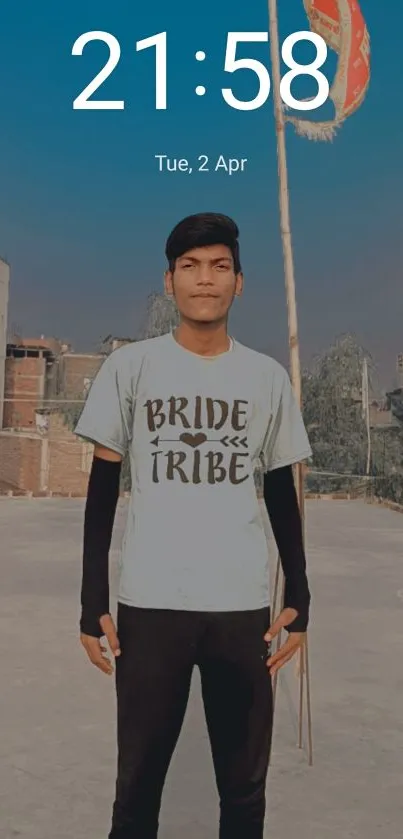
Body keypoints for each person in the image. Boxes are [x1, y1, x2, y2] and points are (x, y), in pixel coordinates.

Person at [75, 212, 312, 839]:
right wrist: (90, 599)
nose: (204, 280)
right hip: (151, 606)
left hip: (241, 609)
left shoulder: (266, 378)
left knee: (243, 798)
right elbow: (103, 489)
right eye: (189, 267)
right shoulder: (130, 370)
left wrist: (303, 599)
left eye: (219, 266)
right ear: (169, 280)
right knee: (135, 794)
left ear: (240, 283)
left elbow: (280, 491)